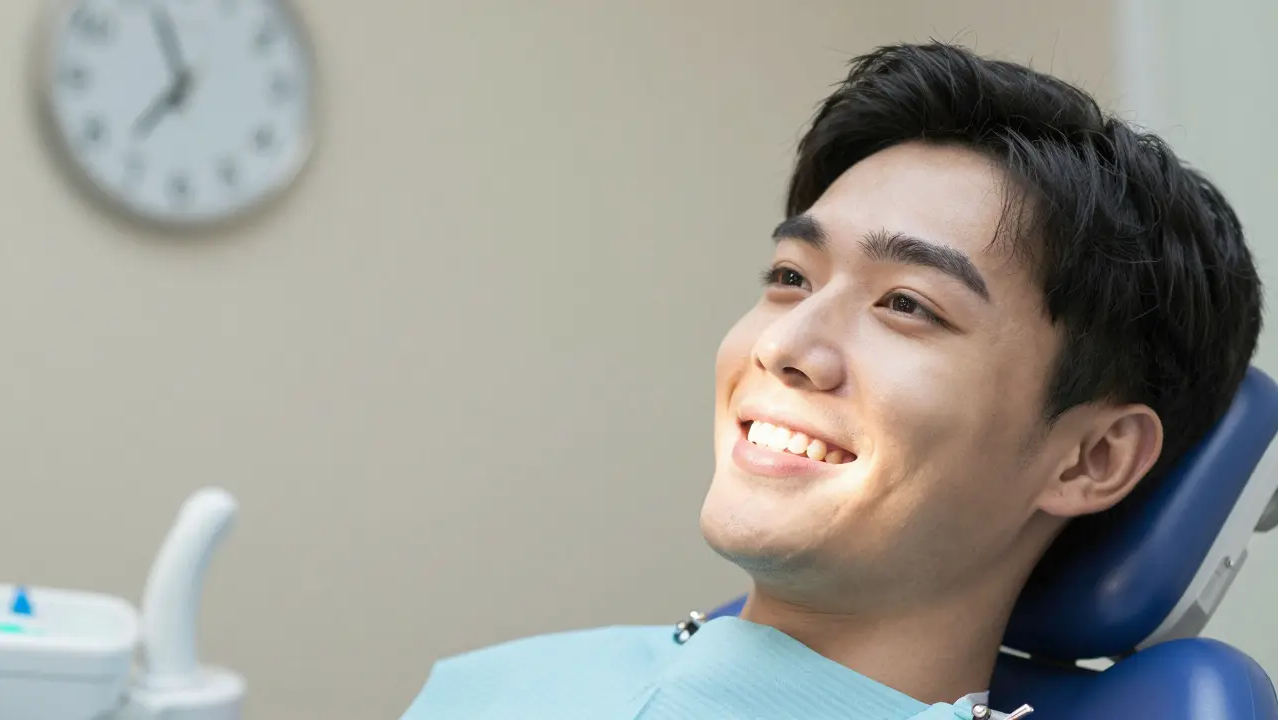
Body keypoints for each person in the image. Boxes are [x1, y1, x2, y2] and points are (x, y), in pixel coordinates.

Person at [400, 42, 1263, 719]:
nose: (787, 344)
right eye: (790, 277)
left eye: (906, 304)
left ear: (1091, 459)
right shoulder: (501, 685)